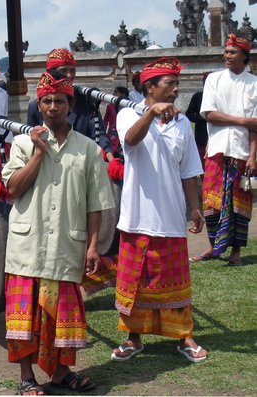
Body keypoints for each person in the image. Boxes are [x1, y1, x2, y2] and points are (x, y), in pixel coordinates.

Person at [2, 71, 115, 395]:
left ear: (71, 105)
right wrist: (39, 152)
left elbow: (96, 204)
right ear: (39, 105)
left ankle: (61, 373)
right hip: (27, 246)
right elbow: (13, 188)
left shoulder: (90, 150)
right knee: (24, 317)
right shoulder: (23, 143)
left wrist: (93, 246)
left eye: (60, 101)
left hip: (68, 244)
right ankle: (26, 378)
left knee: (63, 316)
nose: (53, 107)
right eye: (47, 101)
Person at [112, 57, 207, 363]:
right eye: (170, 84)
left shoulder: (182, 124)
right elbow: (130, 140)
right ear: (150, 87)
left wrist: (195, 208)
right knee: (136, 282)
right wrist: (150, 114)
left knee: (175, 281)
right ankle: (133, 339)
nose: (176, 90)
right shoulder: (128, 113)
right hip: (137, 217)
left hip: (171, 216)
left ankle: (185, 337)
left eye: (177, 84)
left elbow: (189, 171)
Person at [191, 34, 257, 266]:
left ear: (245, 56)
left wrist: (253, 156)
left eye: (232, 52)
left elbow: (256, 127)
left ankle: (236, 253)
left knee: (240, 203)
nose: (227, 56)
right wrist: (244, 121)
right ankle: (212, 247)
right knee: (211, 201)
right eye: (226, 52)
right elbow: (210, 115)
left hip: (242, 153)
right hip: (217, 149)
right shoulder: (214, 80)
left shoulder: (254, 83)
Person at [27, 48, 114, 162]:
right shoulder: (35, 107)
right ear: (50, 72)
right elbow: (30, 141)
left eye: (72, 70)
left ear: (71, 105)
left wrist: (112, 161)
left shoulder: (87, 102)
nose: (69, 75)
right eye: (64, 71)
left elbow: (100, 134)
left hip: (82, 160)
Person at [186, 72, 210, 171]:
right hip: (202, 133)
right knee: (201, 162)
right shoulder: (198, 96)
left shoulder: (220, 96)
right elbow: (189, 114)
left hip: (216, 134)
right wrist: (201, 117)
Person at [103, 86, 129, 155]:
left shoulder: (128, 107)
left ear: (123, 94)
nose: (113, 93)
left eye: (116, 92)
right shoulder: (110, 106)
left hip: (124, 136)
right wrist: (103, 131)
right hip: (112, 137)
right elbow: (106, 119)